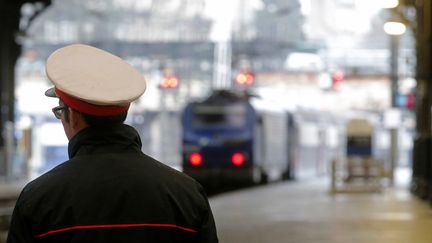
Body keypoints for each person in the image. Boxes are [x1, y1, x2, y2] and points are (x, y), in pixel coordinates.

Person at [7, 44, 218, 243]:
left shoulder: (38, 200)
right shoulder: (186, 195)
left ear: (72, 116)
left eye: (60, 112)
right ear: (123, 112)